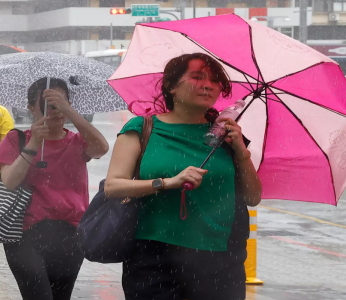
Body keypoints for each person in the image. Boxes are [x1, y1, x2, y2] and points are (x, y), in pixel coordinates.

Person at [104, 53, 262, 300]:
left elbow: (253, 197)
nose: (208, 85)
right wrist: (168, 183)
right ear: (171, 86)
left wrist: (241, 151)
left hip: (220, 259)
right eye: (197, 77)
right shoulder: (142, 128)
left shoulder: (228, 136)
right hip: (153, 256)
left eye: (215, 80)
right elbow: (113, 187)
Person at [0, 77, 108, 300]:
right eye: (48, 105)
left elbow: (101, 148)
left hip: (70, 235)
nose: (55, 110)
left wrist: (70, 111)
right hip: (23, 233)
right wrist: (34, 143)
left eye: (61, 103)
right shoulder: (16, 139)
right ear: (31, 108)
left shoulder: (78, 141)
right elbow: (9, 181)